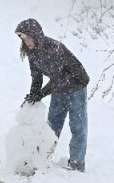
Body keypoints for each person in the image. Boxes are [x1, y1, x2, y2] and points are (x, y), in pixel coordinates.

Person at [15, 18, 89, 171]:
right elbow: (37, 77)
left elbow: (59, 77)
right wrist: (34, 94)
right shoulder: (32, 52)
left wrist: (41, 94)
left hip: (76, 85)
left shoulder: (53, 48)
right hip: (59, 87)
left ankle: (77, 164)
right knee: (52, 126)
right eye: (23, 38)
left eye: (28, 38)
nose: (26, 42)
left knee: (77, 127)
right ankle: (42, 159)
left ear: (36, 35)